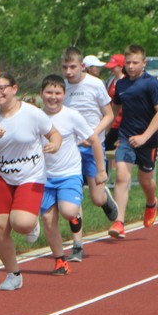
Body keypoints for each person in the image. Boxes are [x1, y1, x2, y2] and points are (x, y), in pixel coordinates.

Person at [0, 72, 62, 291]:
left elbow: (54, 134)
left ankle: (31, 222)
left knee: (20, 223)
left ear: (14, 88)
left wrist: (55, 145)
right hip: (1, 175)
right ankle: (13, 274)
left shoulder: (31, 113)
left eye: (3, 88)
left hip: (30, 176)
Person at [38, 74, 107, 276]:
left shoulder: (72, 116)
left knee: (68, 211)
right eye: (49, 92)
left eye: (58, 93)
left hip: (69, 173)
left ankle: (75, 215)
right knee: (48, 219)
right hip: (44, 177)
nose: (53, 97)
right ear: (41, 94)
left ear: (64, 94)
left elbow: (94, 141)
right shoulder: (37, 117)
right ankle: (60, 260)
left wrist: (101, 170)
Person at [62, 48, 119, 262]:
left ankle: (105, 199)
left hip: (93, 146)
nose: (69, 72)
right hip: (71, 150)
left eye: (73, 67)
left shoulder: (95, 84)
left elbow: (109, 115)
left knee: (96, 198)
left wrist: (93, 134)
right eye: (65, 67)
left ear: (82, 66)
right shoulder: (62, 87)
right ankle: (77, 245)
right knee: (73, 198)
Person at [108, 44, 158, 239]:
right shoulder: (121, 85)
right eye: (128, 63)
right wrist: (102, 132)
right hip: (126, 137)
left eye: (135, 63)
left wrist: (144, 137)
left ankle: (151, 202)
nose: (131, 66)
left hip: (147, 141)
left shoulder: (151, 83)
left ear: (144, 63)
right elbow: (114, 110)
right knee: (121, 176)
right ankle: (119, 222)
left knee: (145, 180)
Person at [103, 54, 126, 162]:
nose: (111, 69)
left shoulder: (126, 81)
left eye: (114, 67)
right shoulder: (111, 81)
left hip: (122, 123)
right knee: (103, 145)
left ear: (121, 67)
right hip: (112, 121)